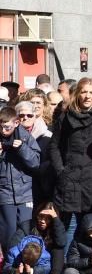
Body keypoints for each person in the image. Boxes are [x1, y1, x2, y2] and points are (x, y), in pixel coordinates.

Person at [49, 78, 92, 238]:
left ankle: (84, 261)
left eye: (91, 92)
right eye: (84, 92)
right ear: (77, 94)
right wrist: (60, 170)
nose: (87, 96)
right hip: (69, 176)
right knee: (69, 225)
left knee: (90, 224)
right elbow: (54, 146)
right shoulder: (65, 117)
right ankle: (66, 262)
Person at [0, 106, 40, 247]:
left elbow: (36, 163)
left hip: (25, 193)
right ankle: (8, 265)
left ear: (16, 123)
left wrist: (22, 148)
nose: (3, 131)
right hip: (5, 193)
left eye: (7, 127)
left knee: (25, 231)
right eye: (1, 127)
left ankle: (26, 263)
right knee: (8, 233)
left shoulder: (25, 137)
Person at [13, 203, 66, 274]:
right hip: (24, 268)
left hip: (43, 269)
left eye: (48, 218)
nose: (43, 221)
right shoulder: (27, 226)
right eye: (41, 217)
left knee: (58, 249)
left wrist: (56, 219)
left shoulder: (55, 228)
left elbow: (61, 243)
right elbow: (13, 249)